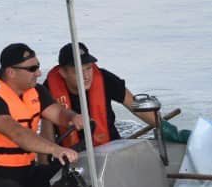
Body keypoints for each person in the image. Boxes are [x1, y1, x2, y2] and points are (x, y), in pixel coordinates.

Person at [0, 43, 84, 187]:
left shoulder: (36, 91)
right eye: (31, 69)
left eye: (37, 67)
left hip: (23, 171)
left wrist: (73, 117)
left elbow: (58, 113)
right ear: (11, 72)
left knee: (72, 176)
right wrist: (55, 149)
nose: (38, 73)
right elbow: (18, 134)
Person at [44, 42, 180, 148]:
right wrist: (44, 165)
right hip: (73, 156)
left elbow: (135, 106)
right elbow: (47, 132)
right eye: (78, 71)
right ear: (63, 73)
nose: (86, 76)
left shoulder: (104, 78)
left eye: (88, 68)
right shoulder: (49, 88)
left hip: (110, 150)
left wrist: (167, 129)